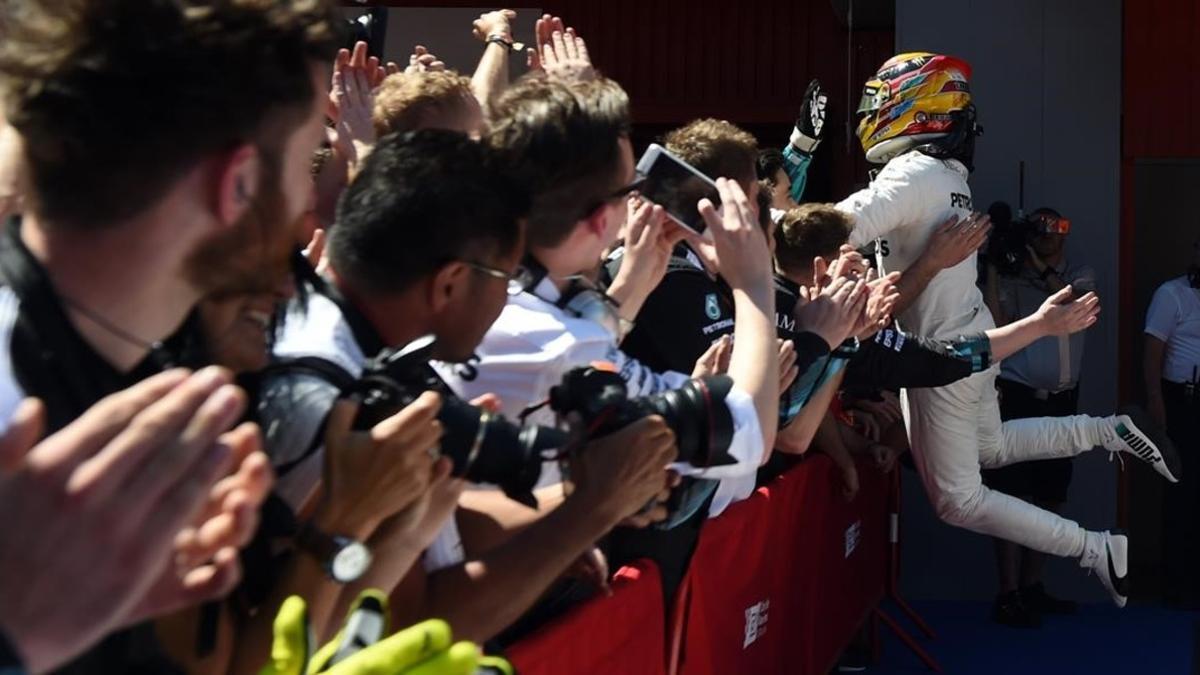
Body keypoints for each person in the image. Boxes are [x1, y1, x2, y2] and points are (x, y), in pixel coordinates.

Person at [257, 130, 678, 649]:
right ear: (450, 282)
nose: (511, 300)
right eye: (507, 276)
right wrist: (589, 509)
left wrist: (586, 489)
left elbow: (437, 527)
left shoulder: (342, 336)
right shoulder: (340, 401)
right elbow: (405, 629)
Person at [837, 51, 1179, 606]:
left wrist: (766, 227)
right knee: (991, 448)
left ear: (912, 108)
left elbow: (838, 226)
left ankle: (1094, 548)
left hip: (939, 354)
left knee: (958, 501)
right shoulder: (949, 175)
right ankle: (1105, 431)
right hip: (970, 339)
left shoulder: (912, 172)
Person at [438, 76, 782, 604]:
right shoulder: (559, 343)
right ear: (603, 218)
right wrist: (755, 287)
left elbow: (558, 337)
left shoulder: (478, 290)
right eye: (629, 191)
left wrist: (630, 289)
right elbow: (747, 433)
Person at [981, 207, 1095, 627]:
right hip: (1017, 396)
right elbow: (994, 325)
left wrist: (1038, 268)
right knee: (1009, 495)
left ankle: (1032, 586)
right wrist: (995, 269)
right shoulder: (1013, 277)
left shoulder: (1079, 273)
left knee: (1051, 494)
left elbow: (1079, 304)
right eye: (1043, 228)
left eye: (1060, 227)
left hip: (1062, 399)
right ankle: (1007, 593)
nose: (1053, 235)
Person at [1144, 240, 1200, 608]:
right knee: (1182, 491)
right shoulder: (1172, 294)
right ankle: (1177, 585)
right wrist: (1156, 402)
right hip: (1184, 401)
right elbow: (1152, 350)